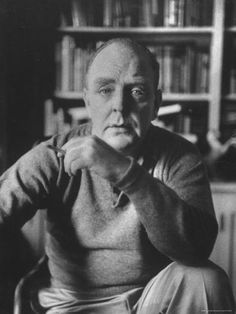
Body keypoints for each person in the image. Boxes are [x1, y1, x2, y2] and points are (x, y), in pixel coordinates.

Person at [0, 38, 235, 314]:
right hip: (71, 302)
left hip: (151, 299)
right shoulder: (54, 155)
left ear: (156, 103)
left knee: (206, 279)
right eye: (105, 90)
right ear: (87, 101)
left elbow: (196, 251)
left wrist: (126, 174)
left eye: (136, 91)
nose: (120, 106)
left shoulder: (180, 155)